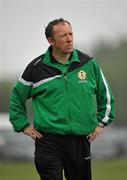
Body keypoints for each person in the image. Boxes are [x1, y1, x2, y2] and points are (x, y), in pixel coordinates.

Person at [9, 18, 115, 180]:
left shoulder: (89, 63)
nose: (69, 39)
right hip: (48, 141)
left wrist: (102, 123)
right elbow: (17, 97)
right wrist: (22, 125)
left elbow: (105, 95)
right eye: (63, 35)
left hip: (80, 141)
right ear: (50, 40)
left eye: (71, 34)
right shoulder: (36, 68)